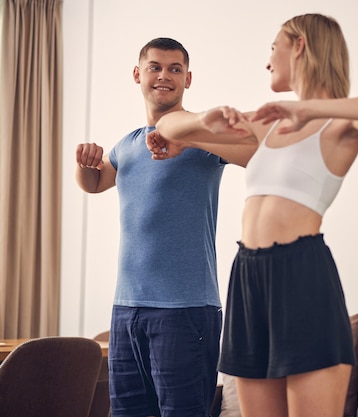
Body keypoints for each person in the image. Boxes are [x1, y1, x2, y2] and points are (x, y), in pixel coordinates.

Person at [146, 14, 358, 417]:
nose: (268, 60)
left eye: (274, 47)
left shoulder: (338, 123)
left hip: (301, 273)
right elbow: (167, 123)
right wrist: (201, 125)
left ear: (300, 46)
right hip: (247, 276)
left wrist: (308, 108)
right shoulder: (268, 125)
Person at [75, 37, 254, 417]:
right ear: (138, 75)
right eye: (155, 66)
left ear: (188, 79)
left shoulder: (202, 139)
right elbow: (95, 183)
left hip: (185, 309)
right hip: (126, 310)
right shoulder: (128, 144)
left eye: (175, 69)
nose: (165, 75)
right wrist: (84, 164)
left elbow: (255, 154)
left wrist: (189, 138)